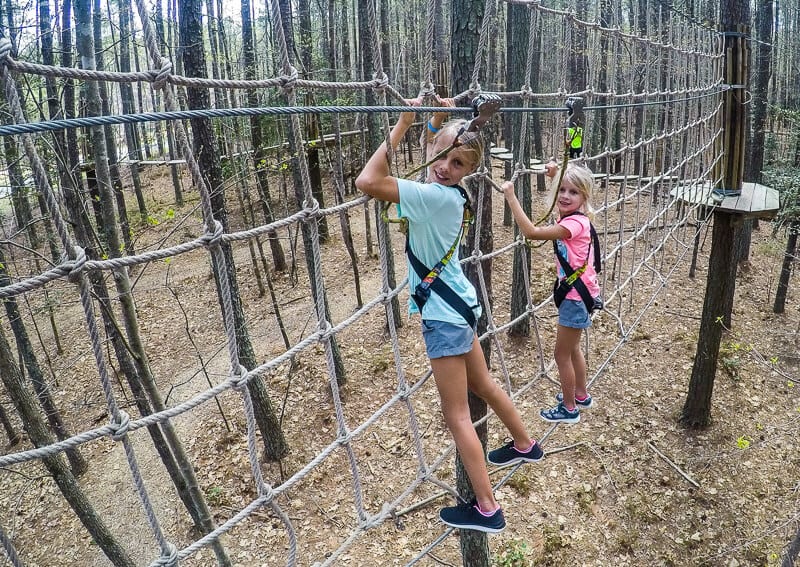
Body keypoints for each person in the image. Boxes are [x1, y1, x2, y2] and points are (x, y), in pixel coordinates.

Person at [356, 97, 543, 534]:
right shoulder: (451, 194)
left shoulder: (431, 197)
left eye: (457, 163)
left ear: (469, 171)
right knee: (484, 384)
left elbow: (368, 180)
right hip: (461, 305)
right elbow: (432, 153)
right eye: (443, 155)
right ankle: (524, 442)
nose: (445, 166)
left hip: (443, 317)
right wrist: (437, 121)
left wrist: (402, 123)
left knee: (457, 415)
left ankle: (486, 507)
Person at [501, 161, 600, 424]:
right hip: (580, 293)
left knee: (561, 354)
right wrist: (558, 174)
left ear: (584, 197)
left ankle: (569, 409)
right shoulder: (576, 217)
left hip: (575, 297)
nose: (566, 196)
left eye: (574, 192)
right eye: (562, 190)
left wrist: (511, 197)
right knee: (573, 348)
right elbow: (567, 190)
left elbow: (532, 232)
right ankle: (580, 394)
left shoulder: (573, 224)